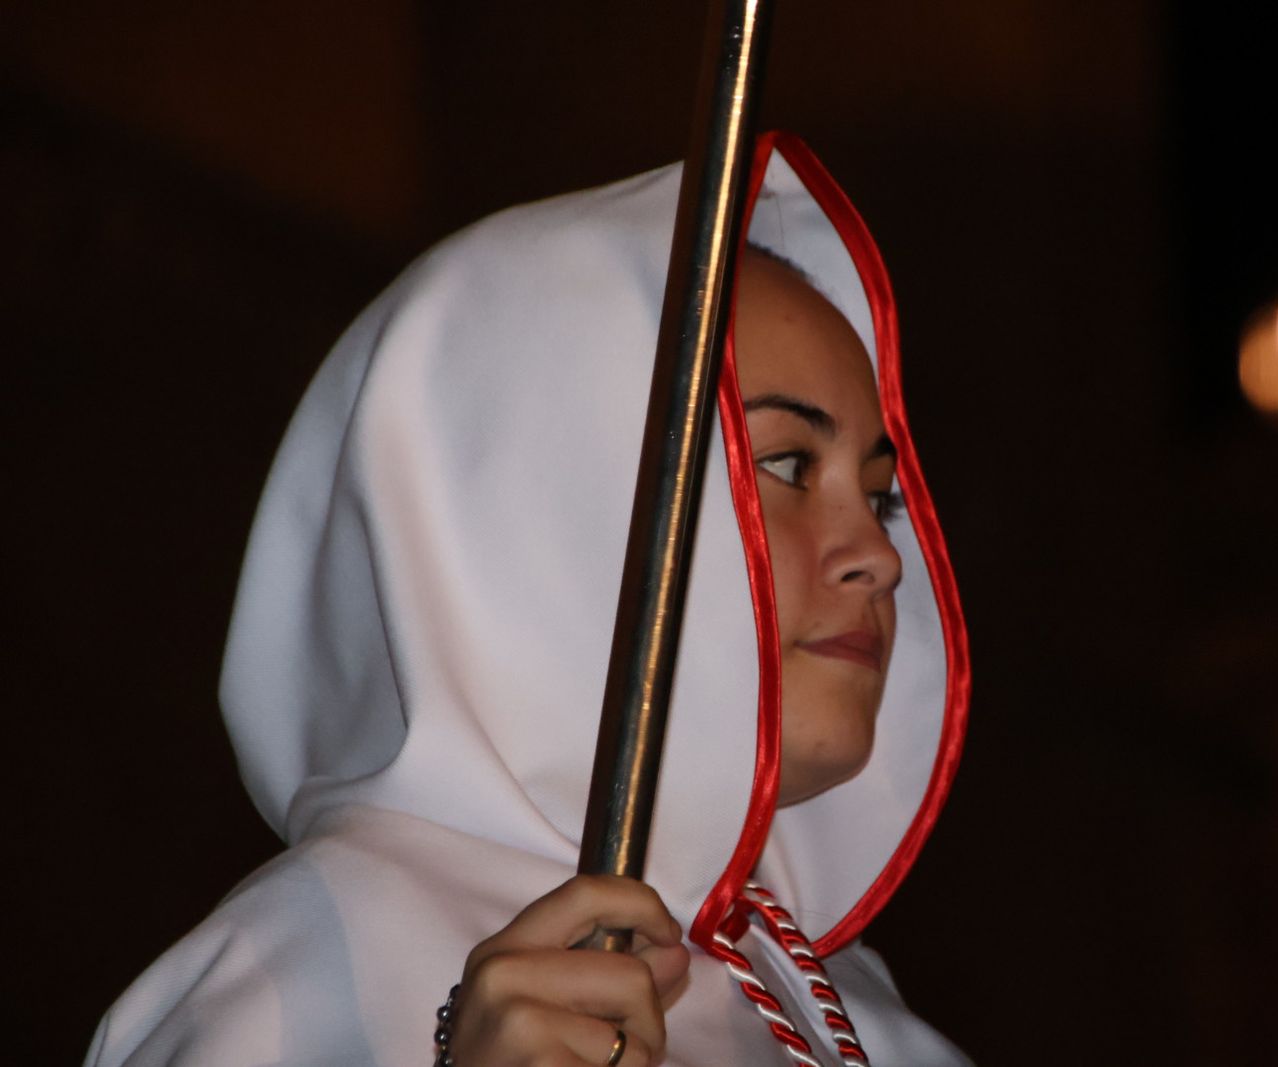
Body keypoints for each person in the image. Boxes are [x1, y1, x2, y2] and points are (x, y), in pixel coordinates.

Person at [85, 132, 971, 1066]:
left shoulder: (858, 1019)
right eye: (786, 465)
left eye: (879, 496)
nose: (880, 555)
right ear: (552, 507)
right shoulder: (304, 973)